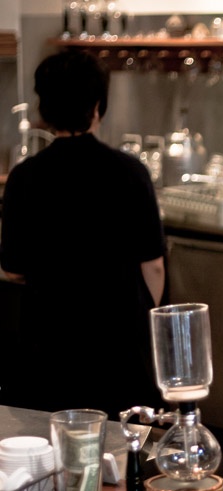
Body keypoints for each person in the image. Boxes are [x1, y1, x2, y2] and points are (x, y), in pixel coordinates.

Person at [0, 50, 166, 420]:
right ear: (97, 107)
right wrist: (140, 319)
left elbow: (12, 269)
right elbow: (153, 266)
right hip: (119, 350)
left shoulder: (24, 177)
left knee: (51, 443)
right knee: (123, 444)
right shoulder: (130, 173)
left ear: (43, 108)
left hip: (48, 348)